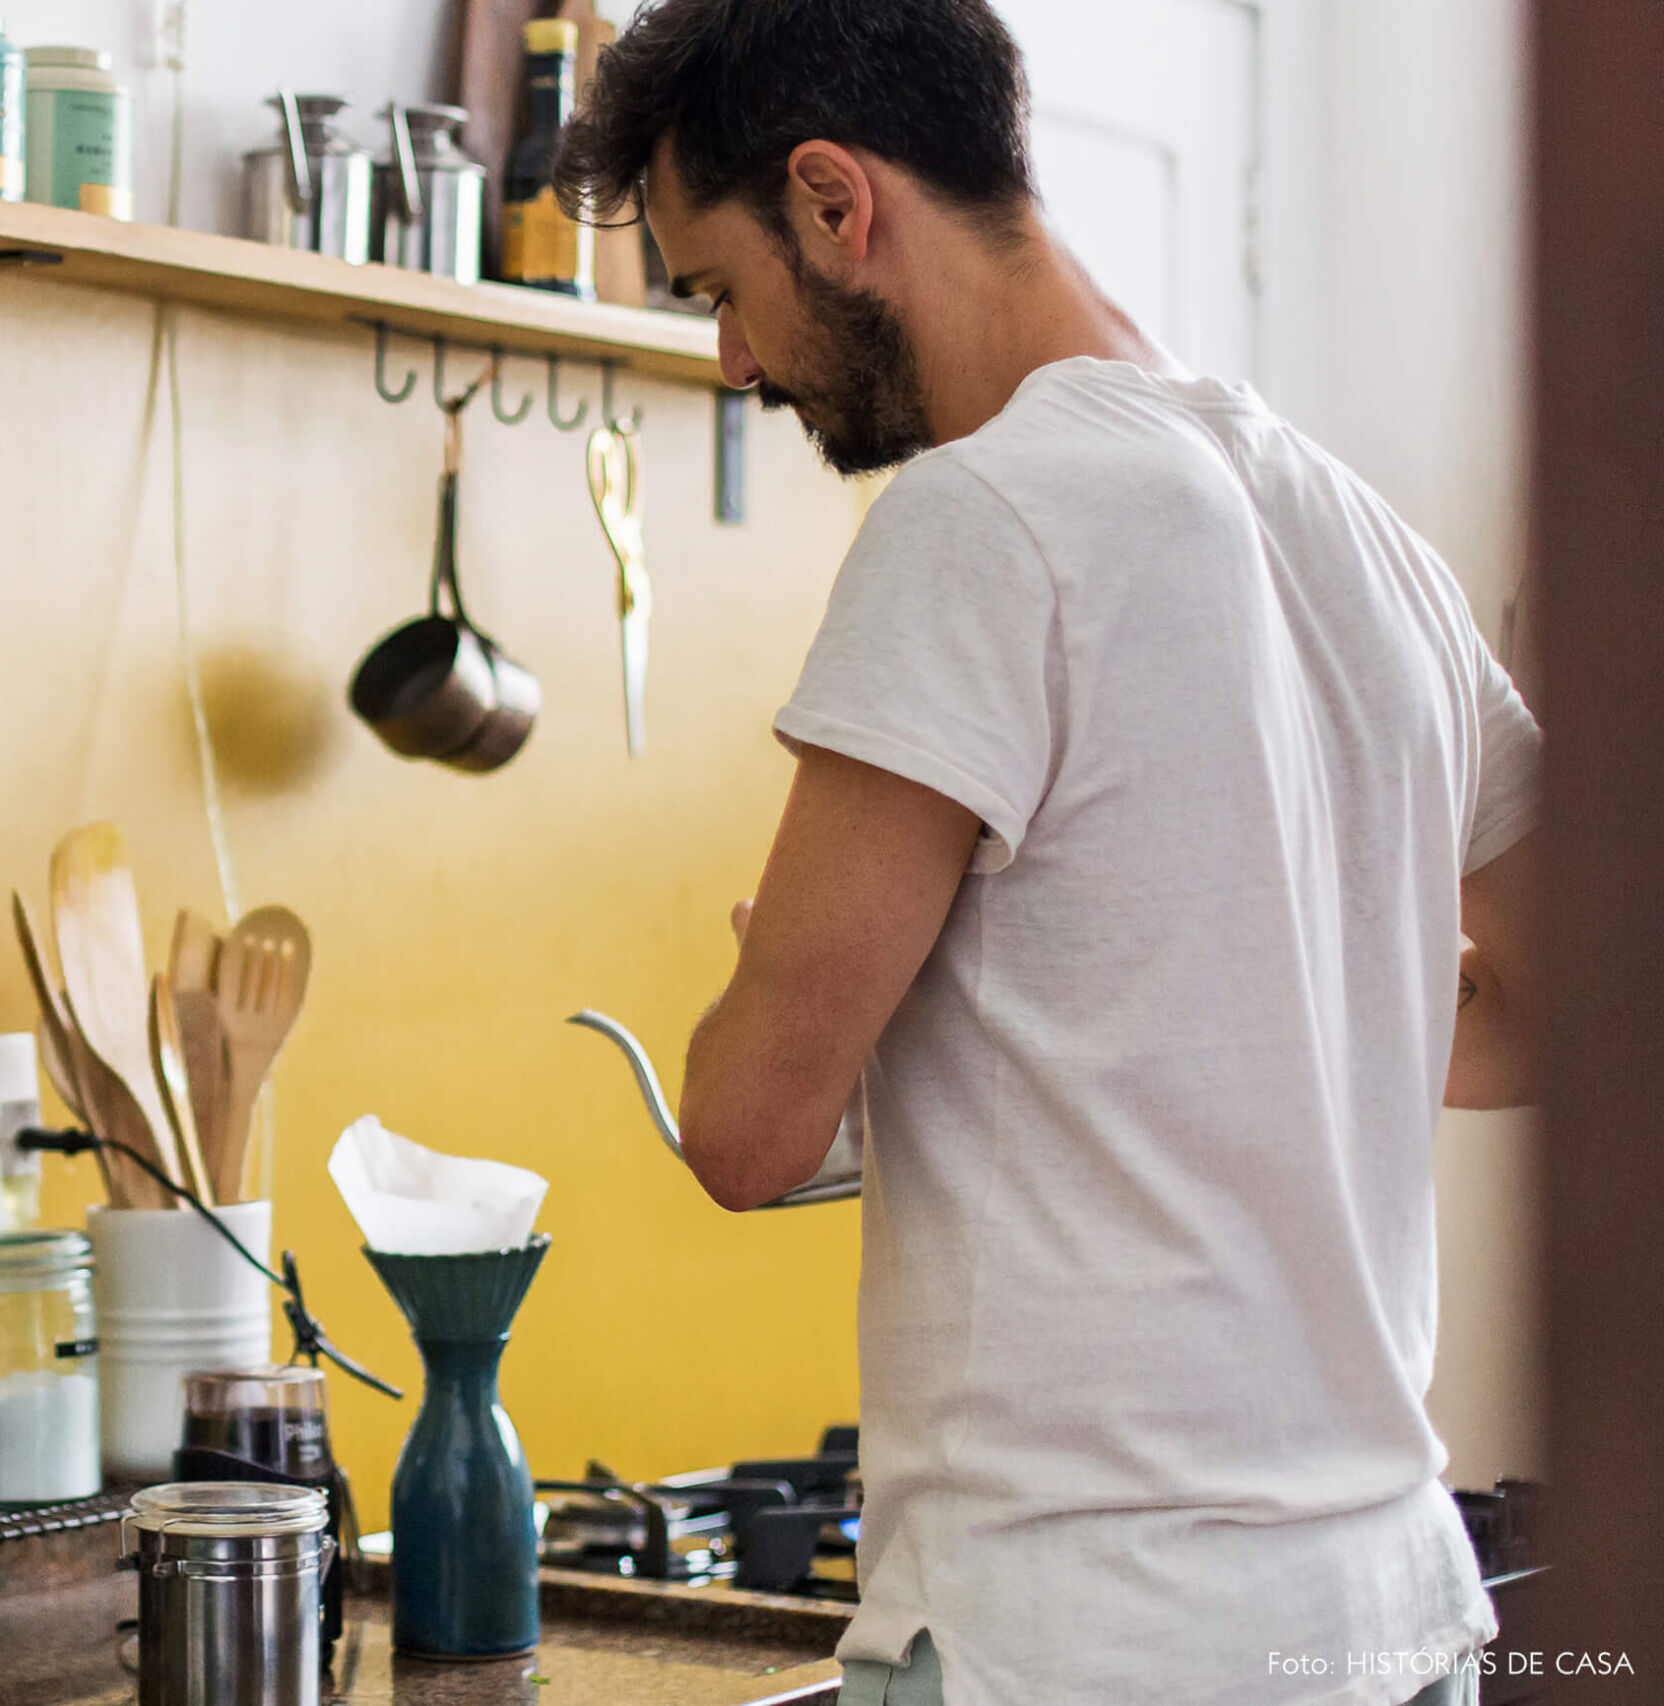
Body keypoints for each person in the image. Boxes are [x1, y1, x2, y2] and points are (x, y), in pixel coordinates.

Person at [552, 3, 1542, 1703]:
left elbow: (744, 1124)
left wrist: (803, 989)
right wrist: (1268, 1007)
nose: (729, 359)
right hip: (1386, 1619)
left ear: (834, 201)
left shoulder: (977, 523)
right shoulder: (1362, 535)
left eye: (721, 286)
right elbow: (1580, 1013)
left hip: (1078, 1641)